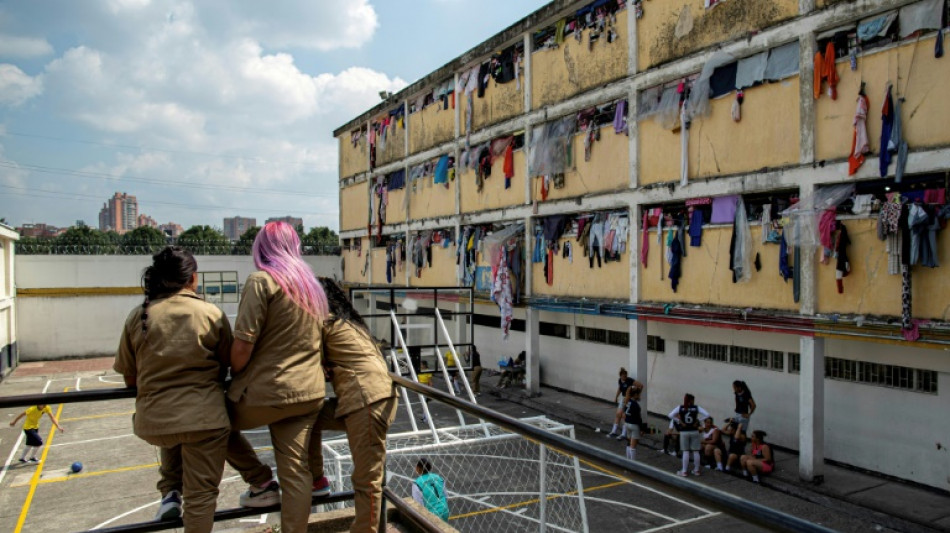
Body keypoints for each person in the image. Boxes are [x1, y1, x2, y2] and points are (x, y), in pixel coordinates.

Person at [113, 246, 231, 531]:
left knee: (174, 434)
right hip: (204, 418)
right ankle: (259, 481)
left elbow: (129, 376)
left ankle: (169, 493)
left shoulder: (138, 316)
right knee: (201, 497)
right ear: (192, 278)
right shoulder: (210, 313)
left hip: (154, 420)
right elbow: (229, 364)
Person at [226, 221, 329, 533]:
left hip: (268, 393)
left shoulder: (261, 281)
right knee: (296, 472)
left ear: (261, 248)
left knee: (208, 421)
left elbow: (243, 345)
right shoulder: (310, 285)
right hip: (309, 394)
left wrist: (234, 373)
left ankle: (259, 481)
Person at [308, 278, 399, 533]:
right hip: (370, 398)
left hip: (366, 401)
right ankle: (316, 479)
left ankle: (363, 530)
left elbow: (305, 355)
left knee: (366, 479)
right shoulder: (350, 323)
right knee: (309, 414)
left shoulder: (324, 322)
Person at [668, 393, 710, 477]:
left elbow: (670, 415)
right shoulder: (696, 408)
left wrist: (679, 421)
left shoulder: (681, 407)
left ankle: (684, 471)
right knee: (696, 451)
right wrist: (698, 420)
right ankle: (696, 470)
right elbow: (707, 414)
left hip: (684, 431)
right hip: (694, 431)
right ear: (691, 400)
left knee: (686, 451)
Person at [607, 368, 642, 441]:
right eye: (623, 376)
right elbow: (619, 389)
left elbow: (640, 385)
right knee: (618, 414)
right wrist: (616, 397)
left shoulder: (630, 380)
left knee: (624, 415)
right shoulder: (620, 380)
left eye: (625, 376)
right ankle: (614, 431)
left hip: (627, 399)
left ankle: (623, 434)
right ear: (620, 376)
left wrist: (637, 394)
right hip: (623, 398)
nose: (625, 377)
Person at [622, 387, 644, 461]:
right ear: (635, 395)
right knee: (633, 446)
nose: (639, 396)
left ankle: (627, 460)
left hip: (627, 424)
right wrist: (642, 429)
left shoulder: (627, 401)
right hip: (634, 425)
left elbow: (624, 412)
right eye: (638, 395)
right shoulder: (636, 406)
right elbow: (638, 419)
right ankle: (633, 463)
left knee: (628, 442)